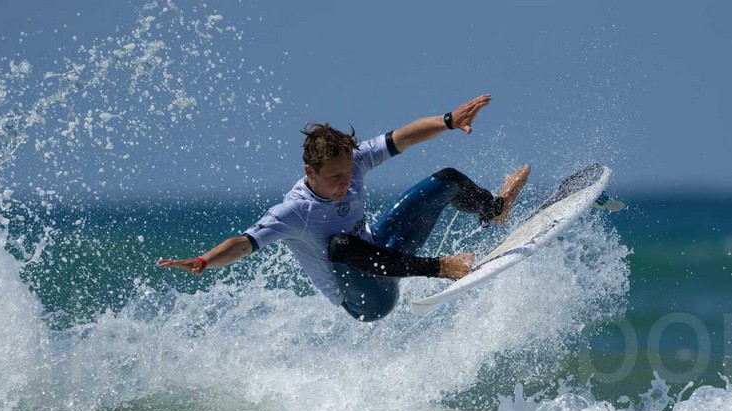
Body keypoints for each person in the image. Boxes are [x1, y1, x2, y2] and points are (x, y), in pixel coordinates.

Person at [157, 94, 530, 321]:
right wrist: (204, 261)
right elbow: (242, 243)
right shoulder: (293, 212)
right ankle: (441, 267)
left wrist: (448, 121)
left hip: (382, 252)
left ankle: (495, 209)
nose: (345, 182)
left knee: (446, 179)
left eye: (348, 172)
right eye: (335, 176)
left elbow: (405, 136)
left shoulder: (354, 161)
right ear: (310, 172)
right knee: (340, 246)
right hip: (366, 299)